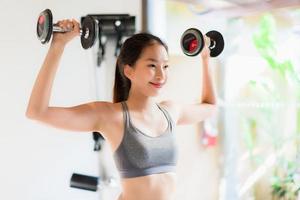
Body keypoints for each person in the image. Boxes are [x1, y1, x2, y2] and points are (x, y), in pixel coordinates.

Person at [26, 19, 217, 200]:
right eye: (152, 65)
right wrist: (57, 46)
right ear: (129, 71)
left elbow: (210, 107)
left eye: (165, 66)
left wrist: (206, 57)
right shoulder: (111, 116)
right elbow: (37, 112)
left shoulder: (171, 112)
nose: (161, 75)